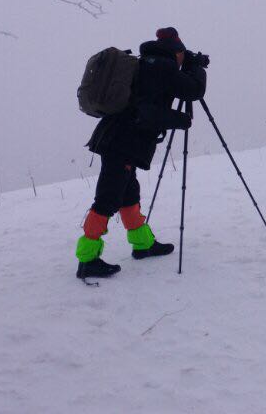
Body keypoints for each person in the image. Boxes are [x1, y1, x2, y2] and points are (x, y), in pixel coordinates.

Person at [75, 27, 207, 280]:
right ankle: (87, 258)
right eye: (182, 54)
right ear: (177, 52)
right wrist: (197, 66)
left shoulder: (146, 63)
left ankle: (142, 244)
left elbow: (144, 105)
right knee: (107, 199)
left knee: (127, 194)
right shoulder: (163, 67)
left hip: (118, 138)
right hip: (123, 142)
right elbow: (193, 91)